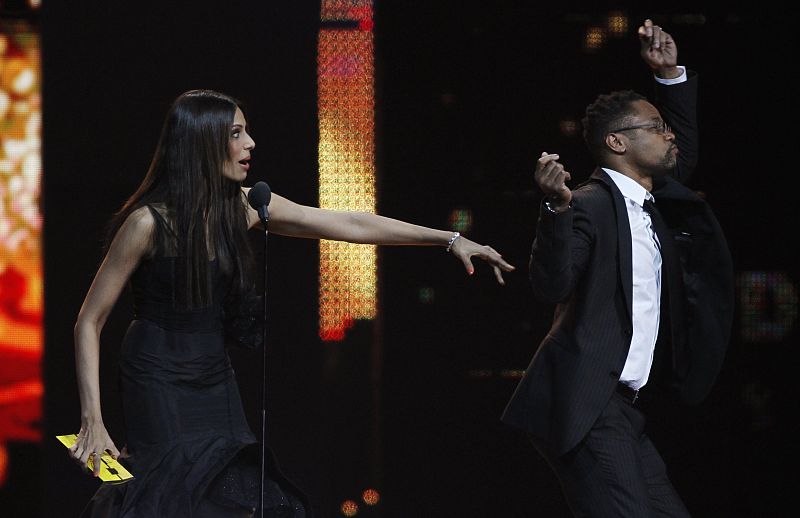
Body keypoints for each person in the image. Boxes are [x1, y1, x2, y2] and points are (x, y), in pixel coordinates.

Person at [68, 89, 515, 517]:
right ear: (203, 142)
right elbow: (90, 320)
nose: (251, 144)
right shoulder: (147, 223)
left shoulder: (244, 207)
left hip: (212, 372)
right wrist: (93, 419)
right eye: (237, 134)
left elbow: (350, 224)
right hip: (155, 371)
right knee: (169, 492)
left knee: (237, 493)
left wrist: (448, 239)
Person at [501, 19, 734, 517]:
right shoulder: (589, 203)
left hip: (623, 411)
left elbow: (681, 156)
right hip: (585, 405)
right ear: (618, 143)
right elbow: (551, 284)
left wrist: (669, 75)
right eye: (657, 128)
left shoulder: (653, 202)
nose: (669, 136)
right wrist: (556, 210)